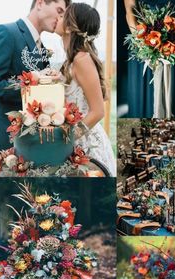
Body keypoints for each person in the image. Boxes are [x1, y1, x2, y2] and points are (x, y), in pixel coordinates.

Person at [0, 0, 70, 157]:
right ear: (40, 3)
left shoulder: (43, 48)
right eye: (59, 11)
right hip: (8, 145)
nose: (61, 18)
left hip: (34, 145)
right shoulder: (6, 33)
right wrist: (30, 85)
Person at [55, 3, 116, 176]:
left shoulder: (82, 60)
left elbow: (98, 112)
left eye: (62, 15)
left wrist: (68, 139)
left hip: (87, 146)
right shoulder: (72, 60)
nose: (58, 17)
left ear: (69, 27)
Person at [123, 0, 175, 118]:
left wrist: (174, 38)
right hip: (141, 36)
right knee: (141, 95)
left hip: (172, 37)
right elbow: (130, 9)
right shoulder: (141, 40)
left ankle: (171, 129)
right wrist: (143, 42)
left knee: (171, 90)